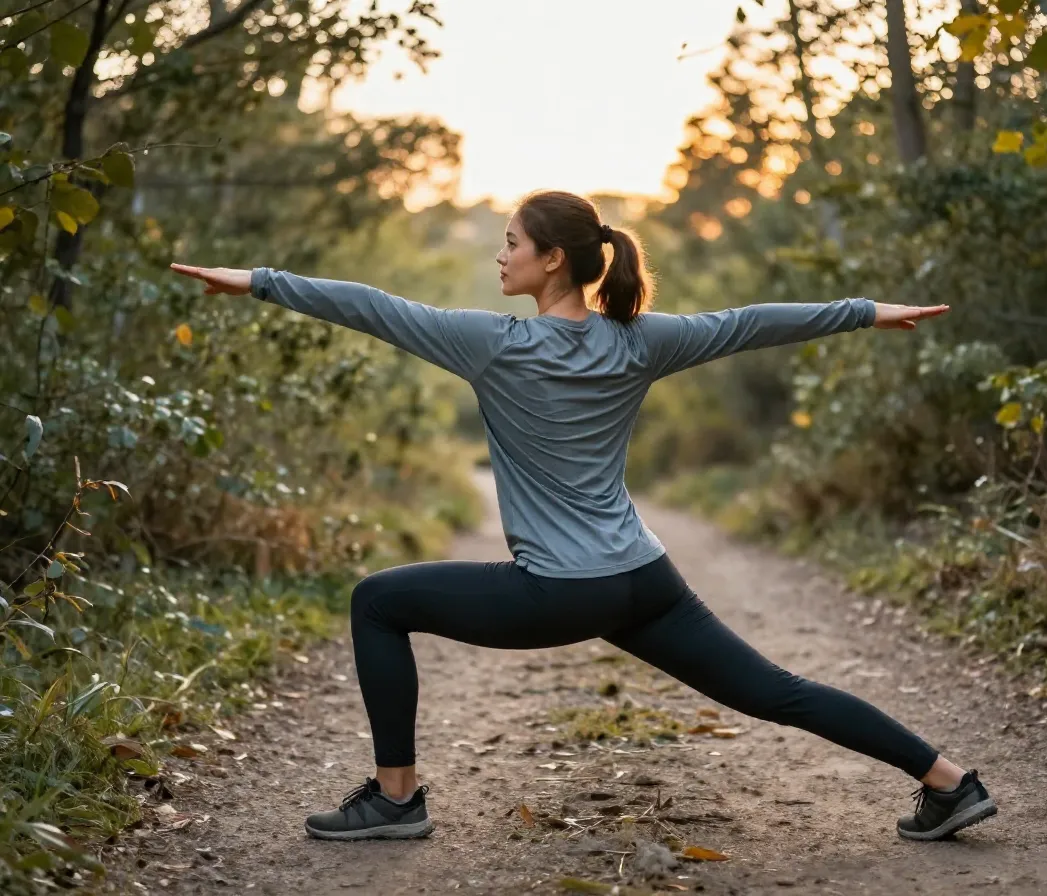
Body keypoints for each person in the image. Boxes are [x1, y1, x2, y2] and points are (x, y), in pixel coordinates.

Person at [170, 189, 996, 845]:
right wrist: (864, 310)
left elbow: (372, 307)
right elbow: (748, 325)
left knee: (377, 601)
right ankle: (950, 782)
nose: (500, 257)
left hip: (564, 589)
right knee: (776, 693)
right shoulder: (640, 341)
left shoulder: (490, 343)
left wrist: (257, 281)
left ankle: (396, 800)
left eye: (511, 244)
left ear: (552, 259)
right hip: (644, 579)